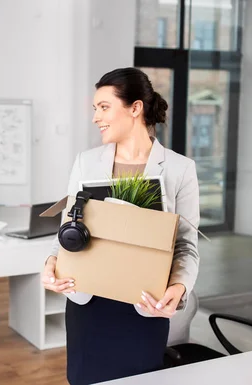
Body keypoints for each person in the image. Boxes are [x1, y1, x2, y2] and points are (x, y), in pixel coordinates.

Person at [42, 67, 200, 384]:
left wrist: (179, 288)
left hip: (144, 306)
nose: (95, 117)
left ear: (135, 108)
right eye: (95, 108)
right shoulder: (86, 162)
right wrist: (51, 264)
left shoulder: (180, 169)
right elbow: (67, 230)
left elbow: (186, 245)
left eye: (104, 107)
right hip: (87, 303)